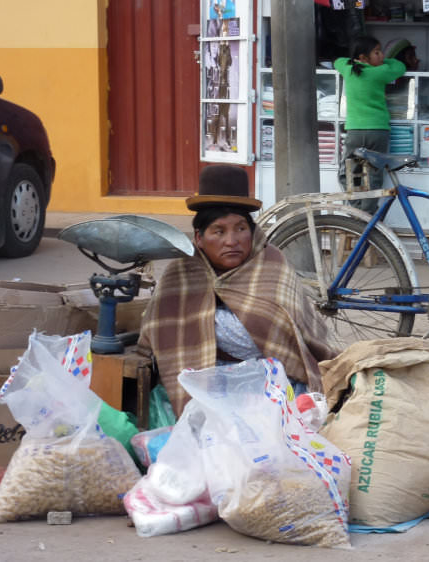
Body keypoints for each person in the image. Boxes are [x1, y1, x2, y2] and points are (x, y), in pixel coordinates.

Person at [137, 164, 337, 416]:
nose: (231, 241)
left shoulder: (271, 263)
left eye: (241, 229)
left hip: (270, 384)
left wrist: (208, 322)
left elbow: (266, 340)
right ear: (199, 238)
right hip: (200, 385)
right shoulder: (182, 271)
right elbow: (158, 329)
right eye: (218, 231)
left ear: (252, 233)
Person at [335, 36, 407, 214]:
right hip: (378, 131)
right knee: (374, 175)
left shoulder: (349, 69)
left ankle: (357, 209)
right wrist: (386, 61)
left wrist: (357, 62)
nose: (381, 55)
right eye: (377, 52)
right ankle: (368, 214)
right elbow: (400, 67)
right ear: (364, 56)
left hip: (355, 132)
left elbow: (338, 61)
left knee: (351, 173)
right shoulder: (381, 72)